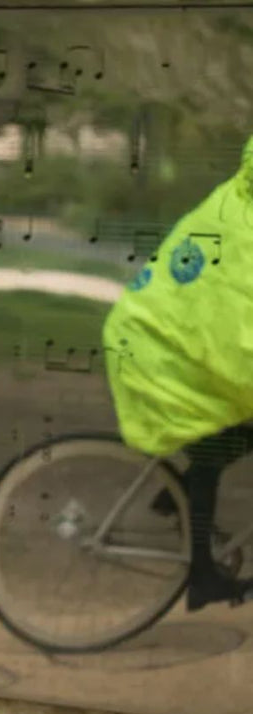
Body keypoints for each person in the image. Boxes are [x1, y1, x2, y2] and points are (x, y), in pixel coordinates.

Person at [103, 139, 253, 611]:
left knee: (221, 437)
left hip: (172, 345)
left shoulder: (240, 200)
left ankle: (185, 495)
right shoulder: (242, 223)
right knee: (215, 433)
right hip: (164, 349)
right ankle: (201, 570)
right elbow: (235, 324)